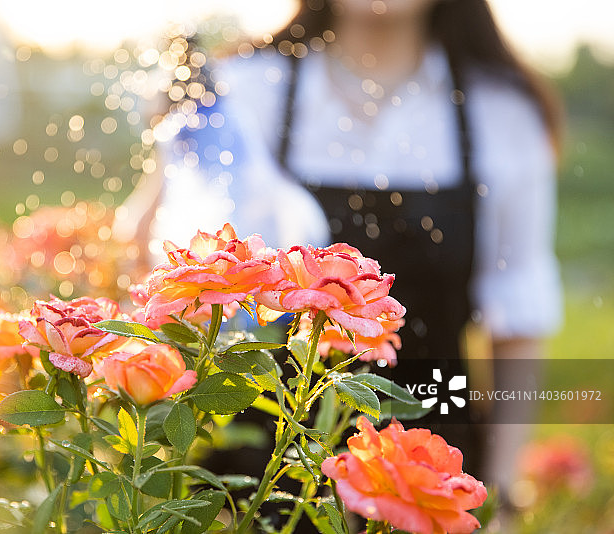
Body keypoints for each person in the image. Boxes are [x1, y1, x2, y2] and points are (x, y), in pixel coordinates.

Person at [116, 0, 563, 525]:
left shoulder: (503, 114)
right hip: (247, 485)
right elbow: (154, 255)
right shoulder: (243, 90)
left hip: (426, 477)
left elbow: (518, 323)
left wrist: (503, 500)